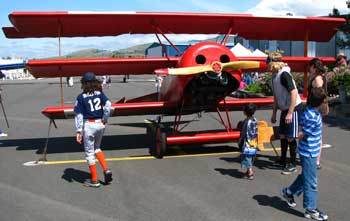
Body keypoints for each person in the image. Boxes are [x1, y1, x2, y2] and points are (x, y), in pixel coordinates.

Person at [280, 87, 328, 221]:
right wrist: (298, 135)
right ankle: (310, 209)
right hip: (309, 152)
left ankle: (288, 192)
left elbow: (302, 128)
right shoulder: (313, 116)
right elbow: (302, 134)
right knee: (311, 182)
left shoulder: (308, 111)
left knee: (305, 176)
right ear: (320, 102)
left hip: (307, 151)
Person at [74, 72, 113, 188]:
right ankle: (106, 169)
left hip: (89, 125)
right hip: (100, 124)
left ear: (84, 83)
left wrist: (78, 131)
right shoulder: (100, 94)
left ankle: (95, 180)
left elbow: (79, 115)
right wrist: (105, 118)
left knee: (89, 153)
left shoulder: (81, 97)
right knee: (97, 148)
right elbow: (108, 104)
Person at [268, 52, 303, 175]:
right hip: (284, 108)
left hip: (292, 108)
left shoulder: (284, 75)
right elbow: (276, 97)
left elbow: (293, 92)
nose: (267, 66)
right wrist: (274, 113)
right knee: (282, 135)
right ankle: (282, 159)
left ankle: (292, 163)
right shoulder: (274, 76)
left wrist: (290, 112)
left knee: (290, 136)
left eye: (268, 63)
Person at [308, 58, 330, 169]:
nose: (309, 69)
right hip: (318, 107)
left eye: (310, 67)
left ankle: (316, 160)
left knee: (316, 134)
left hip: (317, 108)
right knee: (317, 133)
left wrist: (313, 109)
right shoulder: (321, 76)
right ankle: (316, 159)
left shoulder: (317, 78)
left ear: (314, 67)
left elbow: (318, 95)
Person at [238, 103, 258, 180]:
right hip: (254, 142)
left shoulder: (246, 122)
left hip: (247, 143)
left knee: (246, 157)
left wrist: (240, 140)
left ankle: (250, 172)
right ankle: (248, 171)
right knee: (251, 157)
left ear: (245, 112)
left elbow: (243, 133)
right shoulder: (255, 120)